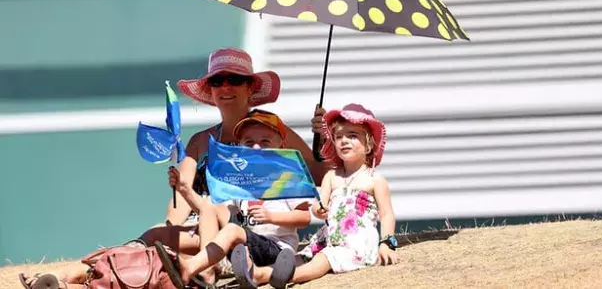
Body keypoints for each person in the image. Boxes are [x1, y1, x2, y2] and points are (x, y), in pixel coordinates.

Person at [18, 48, 326, 289]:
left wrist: (321, 139)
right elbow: (181, 198)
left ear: (249, 87)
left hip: (246, 233)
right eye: (217, 81)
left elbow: (316, 176)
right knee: (152, 240)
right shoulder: (201, 141)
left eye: (234, 80)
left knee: (157, 255)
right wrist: (171, 223)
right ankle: (60, 277)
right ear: (210, 91)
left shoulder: (271, 133)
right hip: (206, 227)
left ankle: (206, 270)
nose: (225, 87)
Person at [239, 103, 399, 288]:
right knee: (300, 257)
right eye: (339, 137)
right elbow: (317, 207)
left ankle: (269, 275)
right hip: (329, 238)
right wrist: (320, 209)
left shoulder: (374, 180)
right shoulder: (332, 176)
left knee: (323, 260)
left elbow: (387, 214)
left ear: (369, 144)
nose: (344, 141)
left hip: (356, 242)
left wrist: (387, 243)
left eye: (352, 136)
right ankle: (259, 270)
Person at [155, 110, 311, 289]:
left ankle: (192, 267)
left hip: (278, 249)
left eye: (265, 142)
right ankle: (214, 271)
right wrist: (184, 190)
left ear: (282, 145)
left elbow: (304, 218)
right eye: (249, 142)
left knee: (232, 231)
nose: (256, 148)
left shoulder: (290, 176)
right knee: (212, 203)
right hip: (248, 244)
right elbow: (208, 210)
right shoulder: (240, 181)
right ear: (239, 147)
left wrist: (270, 217)